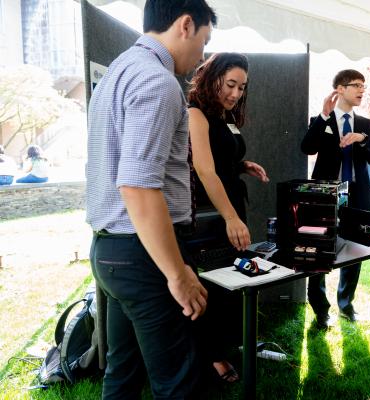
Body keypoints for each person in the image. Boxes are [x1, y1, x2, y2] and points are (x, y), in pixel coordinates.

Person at [86, 1, 216, 398]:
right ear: (185, 24)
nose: (202, 56)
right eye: (204, 41)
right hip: (144, 254)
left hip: (109, 249)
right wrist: (177, 274)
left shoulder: (117, 72)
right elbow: (139, 186)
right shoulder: (158, 83)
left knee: (122, 375)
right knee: (178, 383)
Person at [187, 52, 268, 382]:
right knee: (213, 285)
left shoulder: (224, 116)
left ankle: (224, 345)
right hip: (211, 214)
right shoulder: (195, 113)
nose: (235, 93)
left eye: (242, 87)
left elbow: (221, 159)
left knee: (231, 281)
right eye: (230, 84)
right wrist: (231, 218)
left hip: (231, 207)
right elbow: (204, 170)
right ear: (212, 77)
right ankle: (210, 356)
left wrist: (242, 165)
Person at [301, 69, 370, 329]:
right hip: (325, 196)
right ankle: (320, 309)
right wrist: (324, 115)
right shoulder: (321, 119)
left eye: (363, 86)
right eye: (355, 85)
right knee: (318, 252)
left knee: (355, 250)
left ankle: (346, 304)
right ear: (340, 89)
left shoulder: (365, 124)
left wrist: (362, 140)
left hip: (357, 195)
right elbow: (307, 147)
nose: (361, 90)